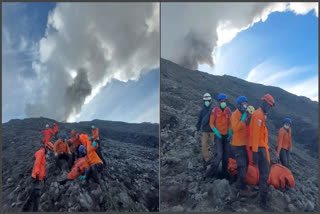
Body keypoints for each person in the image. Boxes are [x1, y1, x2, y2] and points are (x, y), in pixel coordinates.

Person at [249, 93, 275, 209]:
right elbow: (254, 135)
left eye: (270, 106)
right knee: (264, 173)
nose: (269, 108)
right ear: (264, 103)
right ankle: (263, 200)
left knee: (265, 172)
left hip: (262, 148)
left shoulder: (261, 115)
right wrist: (254, 151)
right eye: (268, 105)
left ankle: (262, 194)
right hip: (259, 148)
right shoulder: (258, 115)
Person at [231, 96, 253, 197]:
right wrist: (243, 118)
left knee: (246, 163)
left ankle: (240, 181)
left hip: (244, 144)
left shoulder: (245, 114)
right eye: (244, 103)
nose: (245, 105)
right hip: (237, 144)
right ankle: (240, 187)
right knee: (242, 165)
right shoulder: (234, 115)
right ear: (239, 105)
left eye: (246, 103)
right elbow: (235, 128)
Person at [206, 93, 232, 179]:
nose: (223, 102)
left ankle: (224, 175)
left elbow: (230, 123)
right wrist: (216, 131)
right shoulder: (215, 111)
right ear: (218, 102)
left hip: (226, 137)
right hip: (218, 137)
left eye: (224, 101)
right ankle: (210, 174)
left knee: (226, 157)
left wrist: (230, 131)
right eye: (221, 101)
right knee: (219, 155)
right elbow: (211, 123)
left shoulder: (228, 111)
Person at [25, 146, 48, 211]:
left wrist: (44, 176)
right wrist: (37, 173)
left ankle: (30, 209)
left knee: (35, 194)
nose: (48, 151)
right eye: (48, 149)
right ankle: (28, 209)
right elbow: (37, 163)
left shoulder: (43, 154)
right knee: (35, 195)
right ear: (46, 148)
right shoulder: (41, 152)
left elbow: (42, 167)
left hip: (39, 177)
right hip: (36, 177)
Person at [196, 93, 215, 166]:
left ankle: (216, 158)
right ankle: (207, 159)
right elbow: (199, 120)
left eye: (208, 100)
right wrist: (197, 128)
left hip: (213, 130)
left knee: (215, 145)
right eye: (205, 101)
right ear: (203, 101)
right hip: (205, 131)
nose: (206, 102)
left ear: (210, 101)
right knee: (204, 145)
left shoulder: (213, 110)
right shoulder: (202, 111)